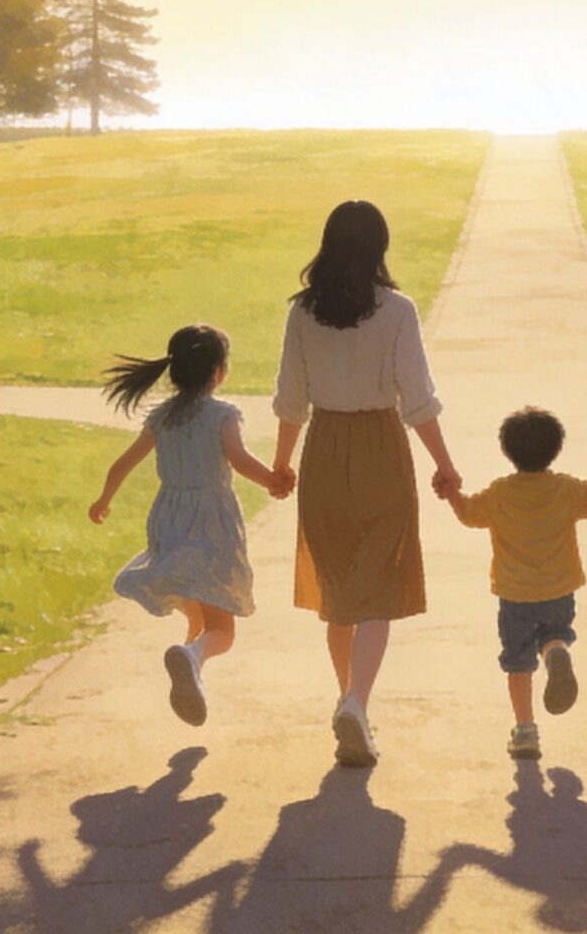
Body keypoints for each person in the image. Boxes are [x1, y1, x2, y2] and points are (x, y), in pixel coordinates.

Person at [271, 200, 462, 768]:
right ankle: (357, 701)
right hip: (381, 448)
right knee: (378, 581)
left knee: (338, 589)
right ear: (380, 247)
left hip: (325, 451)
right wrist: (445, 464)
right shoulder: (397, 310)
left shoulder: (303, 312)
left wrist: (283, 466)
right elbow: (418, 397)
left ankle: (348, 698)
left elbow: (290, 399)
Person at [89, 324, 290, 727]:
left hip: (169, 518)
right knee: (222, 631)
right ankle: (193, 658)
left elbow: (122, 464)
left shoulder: (162, 417)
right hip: (212, 522)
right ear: (218, 372)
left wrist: (103, 501)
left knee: (196, 611)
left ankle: (189, 669)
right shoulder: (223, 415)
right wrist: (273, 479)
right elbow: (238, 459)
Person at [442, 407, 587, 759]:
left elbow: (468, 515)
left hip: (515, 595)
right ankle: (555, 650)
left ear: (508, 452)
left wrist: (451, 493)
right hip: (558, 588)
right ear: (556, 449)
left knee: (518, 661)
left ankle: (526, 731)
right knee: (554, 633)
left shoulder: (500, 493)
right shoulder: (565, 488)